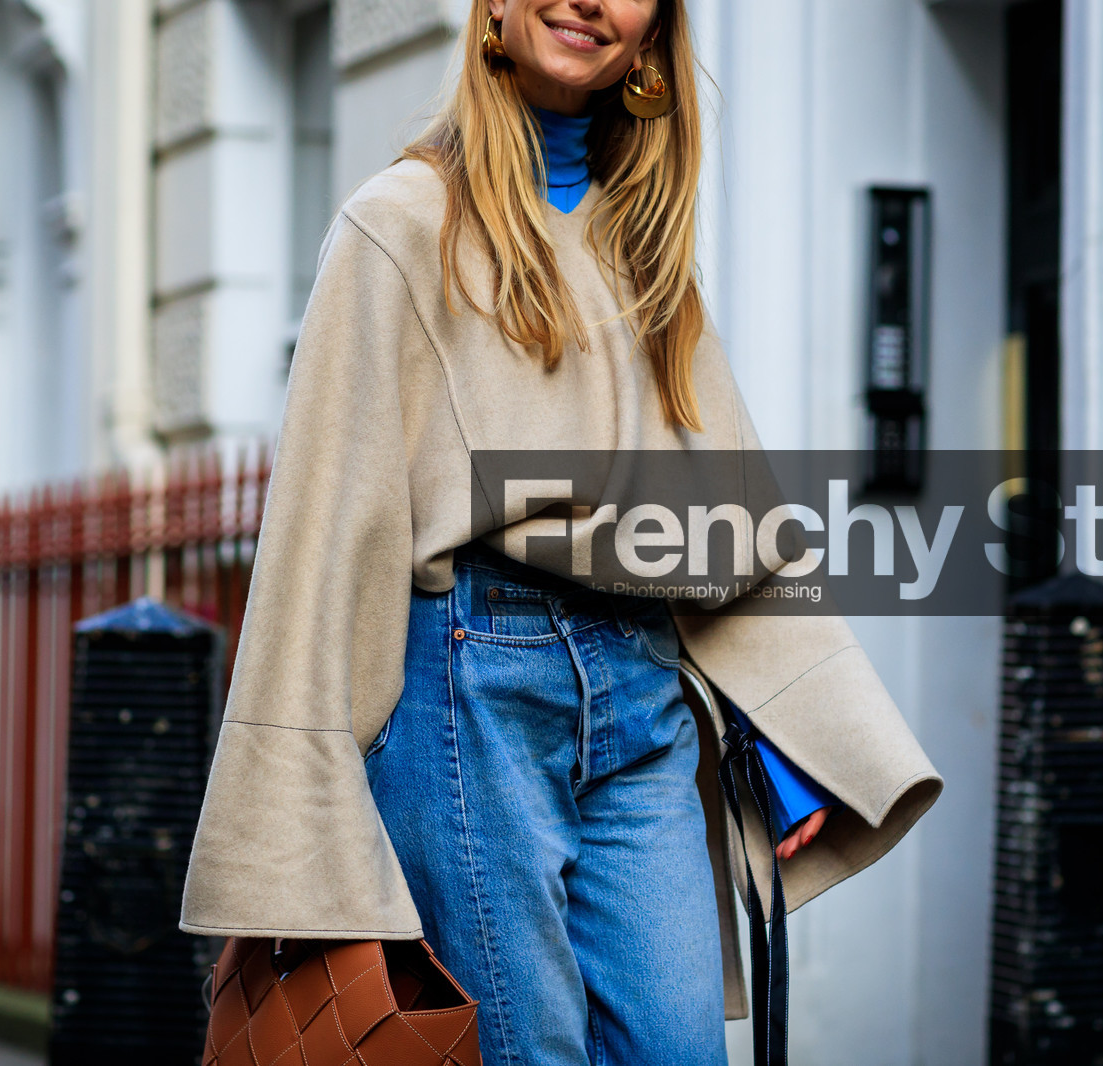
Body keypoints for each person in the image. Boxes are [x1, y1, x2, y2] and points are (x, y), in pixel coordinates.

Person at [178, 2, 944, 1064]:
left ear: (651, 35)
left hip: (643, 694)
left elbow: (721, 507)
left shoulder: (646, 242)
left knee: (676, 1049)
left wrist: (784, 740)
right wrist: (302, 827)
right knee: (522, 1049)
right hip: (471, 688)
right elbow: (324, 533)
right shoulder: (397, 223)